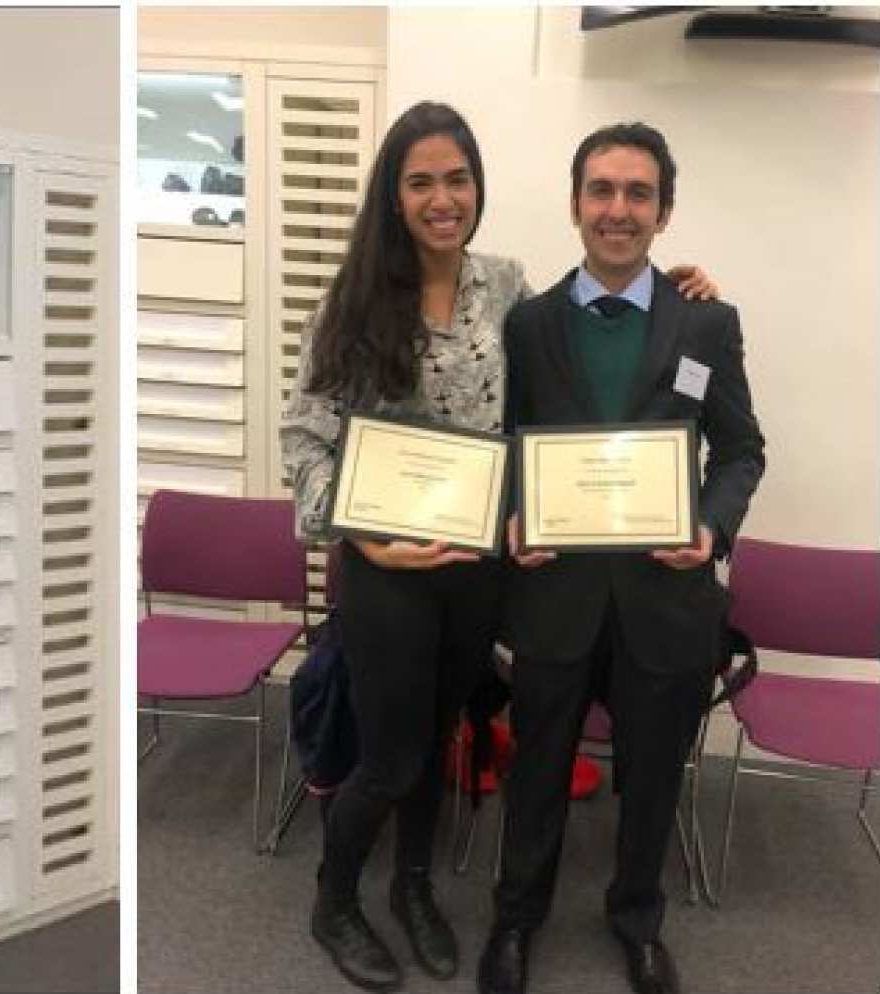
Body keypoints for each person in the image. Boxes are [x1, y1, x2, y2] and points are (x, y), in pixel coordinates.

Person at [282, 102, 718, 993]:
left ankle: (412, 889)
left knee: (440, 737)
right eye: (421, 182)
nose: (442, 199)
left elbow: (586, 328)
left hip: (476, 572)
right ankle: (334, 899)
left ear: (477, 188)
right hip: (388, 573)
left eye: (457, 179)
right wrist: (365, 536)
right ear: (393, 195)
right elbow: (304, 440)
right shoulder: (350, 302)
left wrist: (675, 296)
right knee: (391, 757)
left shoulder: (504, 286)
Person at [479, 123, 764, 994]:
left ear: (663, 212)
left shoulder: (707, 322)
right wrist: (514, 514)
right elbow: (504, 443)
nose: (618, 209)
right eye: (601, 189)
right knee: (536, 770)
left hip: (665, 599)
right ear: (575, 204)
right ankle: (516, 919)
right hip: (554, 595)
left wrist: (710, 529)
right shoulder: (527, 324)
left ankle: (637, 920)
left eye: (638, 193)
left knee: (651, 778)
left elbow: (740, 451)